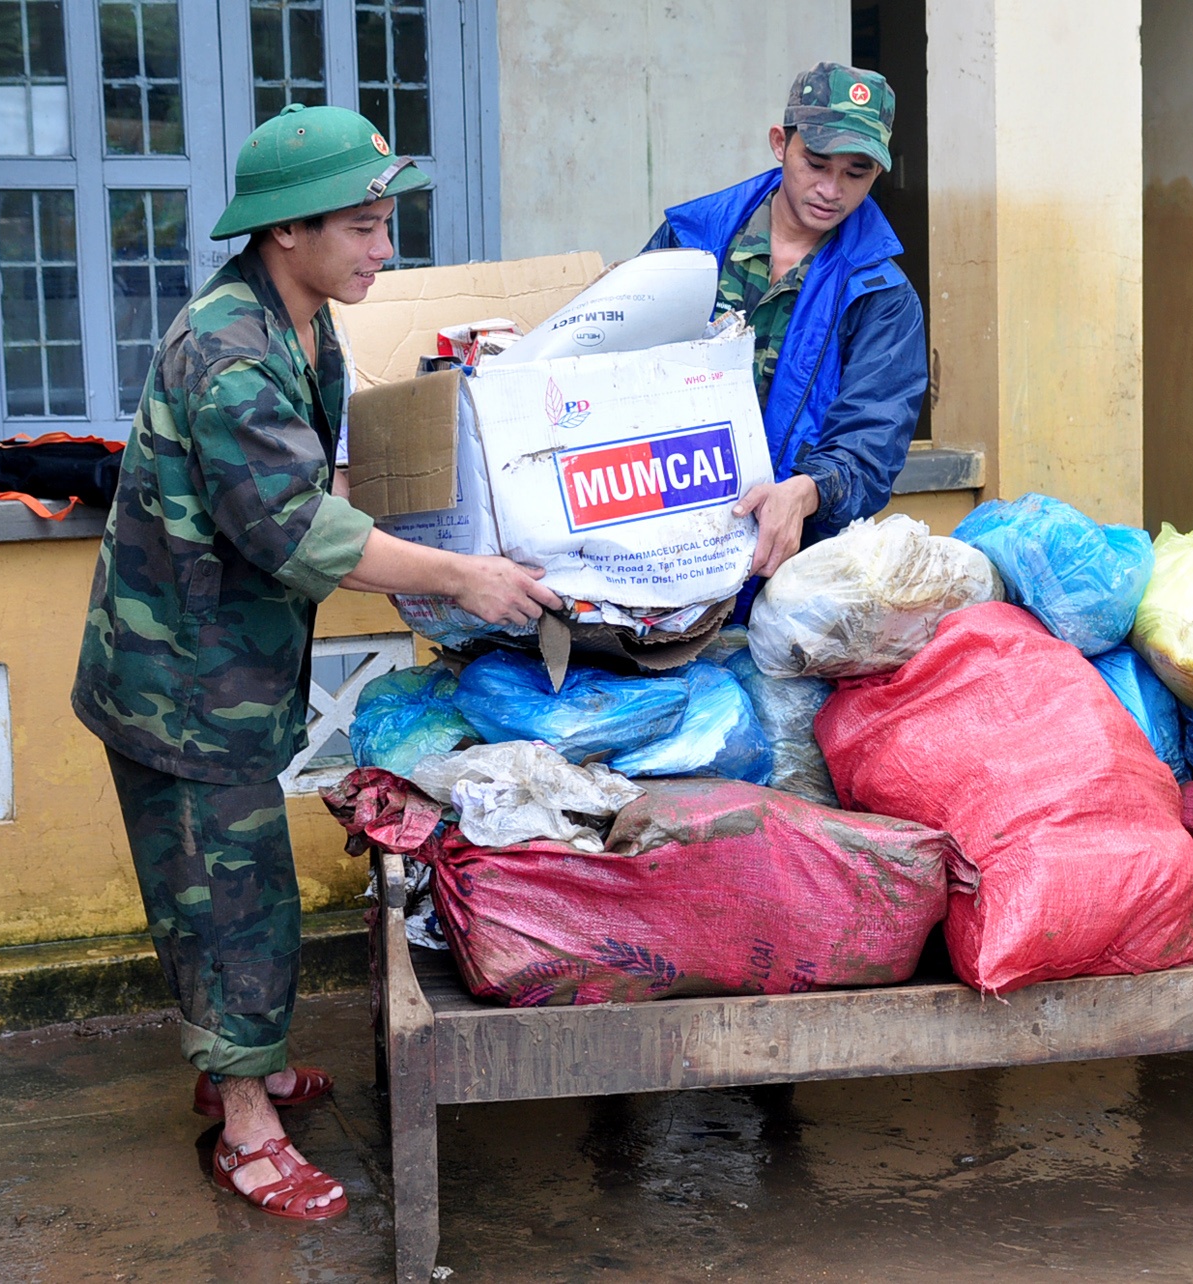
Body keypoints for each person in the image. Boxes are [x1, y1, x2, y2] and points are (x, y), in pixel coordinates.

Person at [72, 104, 561, 1219]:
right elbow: (296, 529)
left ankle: (236, 1056)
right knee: (228, 898)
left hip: (230, 669)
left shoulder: (304, 323)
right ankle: (245, 1127)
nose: (384, 248)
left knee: (234, 891)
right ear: (286, 230)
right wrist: (464, 577)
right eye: (362, 226)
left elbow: (322, 485)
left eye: (388, 222)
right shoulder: (228, 352)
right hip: (179, 684)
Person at [641, 61, 926, 584]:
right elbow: (619, 367)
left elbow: (871, 440)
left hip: (793, 567)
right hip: (658, 540)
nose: (831, 190)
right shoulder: (688, 242)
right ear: (780, 143)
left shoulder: (882, 297)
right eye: (816, 163)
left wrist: (807, 491)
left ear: (877, 174)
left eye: (855, 173)